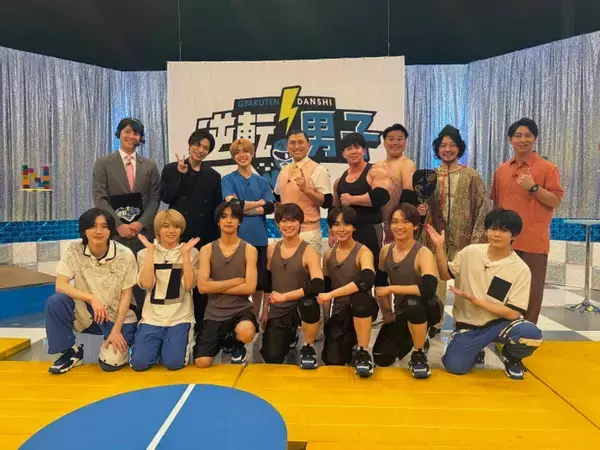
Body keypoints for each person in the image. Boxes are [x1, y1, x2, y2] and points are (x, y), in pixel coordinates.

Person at [427, 209, 543, 380]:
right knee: (455, 367)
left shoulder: (520, 268)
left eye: (504, 230)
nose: (497, 234)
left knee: (530, 334)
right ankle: (475, 349)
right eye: (493, 228)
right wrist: (438, 247)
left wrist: (476, 301)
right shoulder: (470, 252)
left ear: (514, 235)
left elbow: (513, 313)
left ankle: (511, 357)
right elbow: (445, 275)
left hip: (499, 324)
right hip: (469, 325)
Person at [44, 208, 138, 374]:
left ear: (111, 230)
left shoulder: (125, 255)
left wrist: (116, 330)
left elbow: (127, 294)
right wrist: (92, 299)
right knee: (56, 301)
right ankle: (71, 351)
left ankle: (116, 345)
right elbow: (60, 285)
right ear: (84, 230)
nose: (99, 231)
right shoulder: (74, 249)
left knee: (110, 364)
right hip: (87, 312)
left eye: (104, 226)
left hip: (117, 317)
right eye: (93, 226)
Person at [490, 118, 563, 324]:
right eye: (518, 136)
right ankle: (497, 328)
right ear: (510, 140)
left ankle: (526, 332)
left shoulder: (547, 168)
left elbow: (555, 200)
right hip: (504, 242)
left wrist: (534, 187)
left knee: (531, 291)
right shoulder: (501, 170)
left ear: (535, 139)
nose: (523, 140)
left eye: (528, 135)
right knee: (499, 288)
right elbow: (496, 206)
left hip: (533, 241)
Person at [419, 125, 489, 334]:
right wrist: (420, 211)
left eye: (452, 145)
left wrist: (476, 241)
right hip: (434, 239)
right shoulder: (429, 176)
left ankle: (465, 324)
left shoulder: (471, 176)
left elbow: (482, 207)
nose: (447, 149)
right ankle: (435, 322)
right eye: (443, 145)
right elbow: (420, 206)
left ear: (459, 148)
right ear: (437, 149)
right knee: (435, 282)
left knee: (465, 285)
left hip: (464, 239)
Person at [160, 129, 222, 330]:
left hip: (204, 237)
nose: (200, 150)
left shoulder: (213, 176)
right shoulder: (171, 169)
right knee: (176, 281)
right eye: (197, 145)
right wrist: (181, 174)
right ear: (190, 144)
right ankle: (175, 325)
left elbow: (216, 209)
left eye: (205, 148)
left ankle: (201, 327)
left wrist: (216, 242)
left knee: (200, 284)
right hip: (177, 236)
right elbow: (166, 197)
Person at [373, 204, 443, 379]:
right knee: (382, 357)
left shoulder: (423, 253)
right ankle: (415, 338)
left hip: (426, 307)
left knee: (413, 303)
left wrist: (392, 288)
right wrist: (387, 311)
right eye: (395, 222)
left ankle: (419, 353)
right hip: (401, 311)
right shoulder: (386, 251)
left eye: (405, 222)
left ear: (415, 226)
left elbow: (428, 290)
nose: (399, 226)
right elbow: (379, 286)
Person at [130, 210, 199, 371]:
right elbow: (146, 284)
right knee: (139, 364)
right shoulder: (144, 253)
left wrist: (185, 255)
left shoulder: (192, 252)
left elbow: (189, 285)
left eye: (176, 226)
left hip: (180, 318)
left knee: (174, 363)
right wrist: (151, 252)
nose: (171, 231)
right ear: (158, 230)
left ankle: (170, 346)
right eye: (166, 226)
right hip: (151, 319)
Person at [194, 201, 259, 368]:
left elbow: (250, 288)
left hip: (241, 311)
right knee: (202, 362)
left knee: (246, 331)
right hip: (214, 313)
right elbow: (202, 287)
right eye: (224, 217)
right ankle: (226, 341)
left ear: (240, 221)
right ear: (218, 221)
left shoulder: (249, 249)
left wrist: (215, 286)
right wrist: (235, 281)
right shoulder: (207, 249)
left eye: (233, 217)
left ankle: (238, 344)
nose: (229, 221)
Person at [260, 203, 325, 369]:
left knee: (309, 304)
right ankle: (290, 336)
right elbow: (268, 281)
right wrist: (265, 310)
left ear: (300, 223)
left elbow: (318, 283)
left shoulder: (308, 251)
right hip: (279, 309)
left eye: (293, 220)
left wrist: (286, 296)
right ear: (277, 224)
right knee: (272, 357)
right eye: (284, 221)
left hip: (300, 306)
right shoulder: (272, 249)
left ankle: (308, 346)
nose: (288, 225)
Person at [319, 206, 377, 378]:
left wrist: (331, 295)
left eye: (346, 224)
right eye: (337, 225)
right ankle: (349, 342)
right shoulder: (328, 255)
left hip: (362, 308)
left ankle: (363, 351)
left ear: (354, 227)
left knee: (359, 299)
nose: (341, 229)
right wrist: (327, 322)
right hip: (341, 311)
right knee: (333, 360)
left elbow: (367, 280)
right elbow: (326, 289)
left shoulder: (363, 251)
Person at [221, 138, 275, 318]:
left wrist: (244, 207)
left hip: (259, 237)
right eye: (237, 153)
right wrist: (258, 203)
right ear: (233, 157)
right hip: (236, 239)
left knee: (258, 282)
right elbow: (232, 205)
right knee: (237, 279)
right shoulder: (227, 180)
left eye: (245, 151)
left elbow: (270, 207)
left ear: (252, 154)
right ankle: (237, 316)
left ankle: (255, 315)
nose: (241, 155)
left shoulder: (262, 181)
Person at [92, 117, 161, 254]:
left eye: (136, 133)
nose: (131, 136)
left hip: (143, 234)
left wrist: (141, 224)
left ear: (140, 137)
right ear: (119, 133)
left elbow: (155, 198)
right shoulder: (103, 163)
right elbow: (99, 197)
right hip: (114, 232)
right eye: (127, 131)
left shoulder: (150, 166)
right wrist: (118, 225)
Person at [332, 132, 391, 269]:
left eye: (357, 147)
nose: (353, 152)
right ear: (343, 154)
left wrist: (352, 199)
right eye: (349, 149)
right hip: (347, 232)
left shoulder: (375, 171)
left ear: (363, 150)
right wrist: (332, 233)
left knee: (375, 268)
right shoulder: (339, 181)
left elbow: (381, 196)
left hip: (370, 229)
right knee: (349, 270)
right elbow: (334, 209)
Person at [274, 129, 333, 254]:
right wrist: (280, 223)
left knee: (310, 266)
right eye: (292, 143)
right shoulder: (283, 171)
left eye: (300, 142)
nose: (296, 147)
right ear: (287, 146)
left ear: (308, 145)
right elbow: (277, 199)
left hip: (308, 232)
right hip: (286, 232)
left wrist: (306, 190)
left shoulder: (318, 169)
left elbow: (327, 202)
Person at [375, 123, 417, 243]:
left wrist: (398, 223)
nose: (395, 143)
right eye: (391, 139)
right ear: (384, 143)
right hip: (378, 224)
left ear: (405, 142)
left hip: (398, 224)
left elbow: (408, 195)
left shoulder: (407, 164)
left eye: (399, 139)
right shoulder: (377, 165)